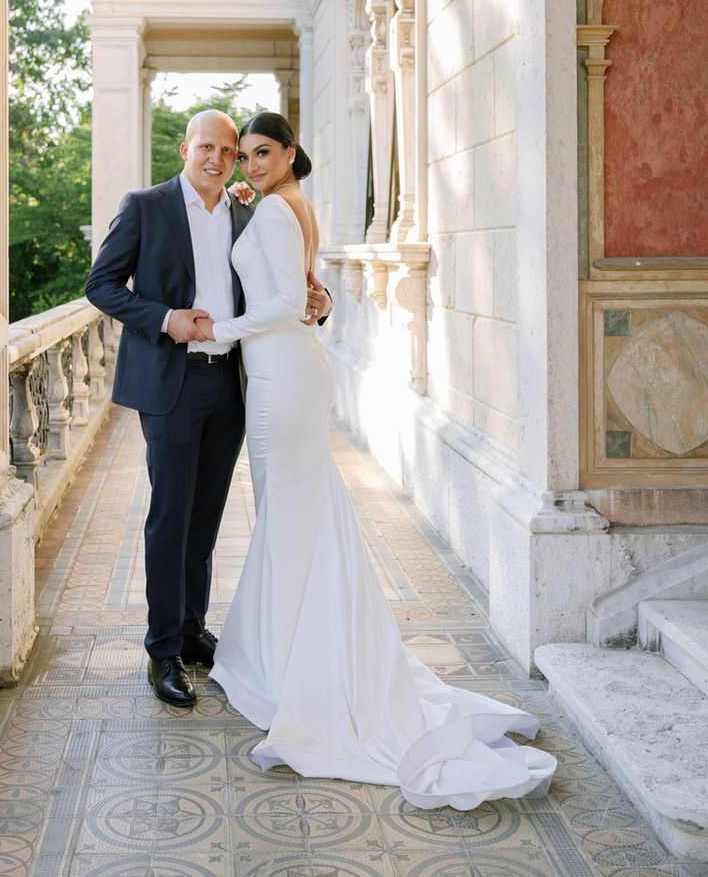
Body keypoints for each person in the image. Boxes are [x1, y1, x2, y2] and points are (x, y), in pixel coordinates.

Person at [194, 111, 556, 810]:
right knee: (295, 514)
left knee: (287, 515)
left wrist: (219, 334)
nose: (248, 165)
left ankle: (290, 664)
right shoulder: (288, 205)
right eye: (243, 157)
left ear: (291, 153)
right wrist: (253, 208)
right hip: (293, 370)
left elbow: (281, 300)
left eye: (261, 153)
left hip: (277, 377)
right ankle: (293, 648)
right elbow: (301, 294)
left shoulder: (273, 210)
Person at [85, 109, 332, 709]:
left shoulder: (251, 211)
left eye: (232, 151)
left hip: (232, 382)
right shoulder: (145, 205)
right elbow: (102, 284)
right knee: (170, 515)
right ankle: (163, 647)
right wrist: (167, 319)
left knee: (207, 517)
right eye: (208, 148)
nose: (220, 160)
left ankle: (193, 631)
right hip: (171, 381)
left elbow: (283, 289)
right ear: (185, 149)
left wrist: (319, 304)